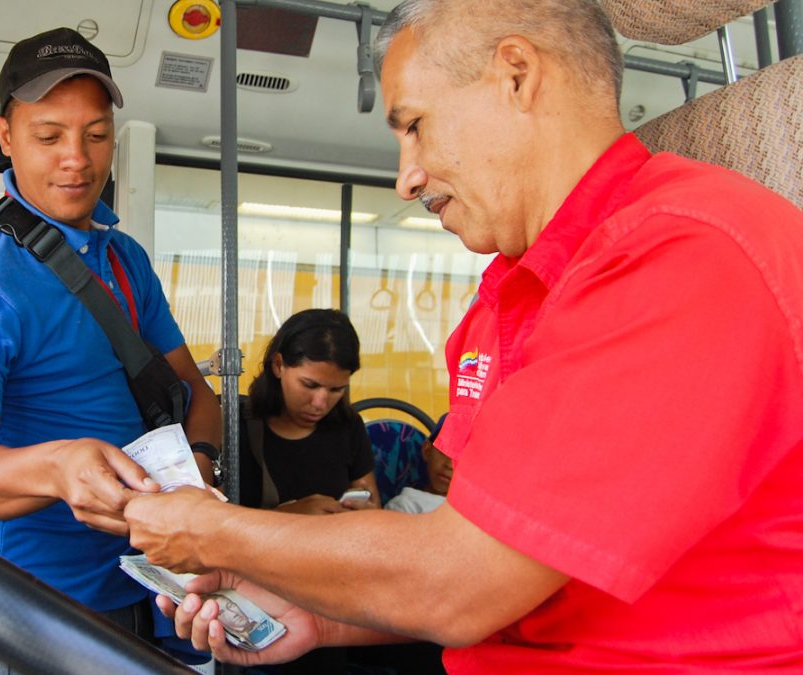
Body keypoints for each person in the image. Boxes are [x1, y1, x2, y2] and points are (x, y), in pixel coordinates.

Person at [123, 0, 803, 672]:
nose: (406, 176)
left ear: (515, 74)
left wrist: (212, 531)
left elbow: (461, 581)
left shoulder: (682, 252)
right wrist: (324, 618)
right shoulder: (510, 293)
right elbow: (517, 567)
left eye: (416, 126)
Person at [0, 26, 222, 671]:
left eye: (95, 135)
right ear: (6, 136)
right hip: (30, 610)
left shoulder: (125, 256)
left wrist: (197, 470)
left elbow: (195, 392)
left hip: (153, 587)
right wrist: (60, 468)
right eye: (49, 135)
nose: (77, 160)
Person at [240, 308, 380, 514]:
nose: (320, 403)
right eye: (309, 385)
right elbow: (208, 522)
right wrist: (292, 516)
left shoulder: (348, 426)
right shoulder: (232, 424)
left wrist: (363, 514)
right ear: (278, 365)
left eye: (336, 389)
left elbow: (373, 505)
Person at [384, 415, 452, 514]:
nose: (450, 465)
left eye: (463, 459)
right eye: (445, 451)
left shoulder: (475, 510)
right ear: (427, 450)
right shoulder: (406, 505)